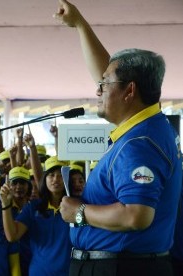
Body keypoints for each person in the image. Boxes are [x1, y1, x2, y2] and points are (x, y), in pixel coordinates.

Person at [54, 0, 182, 275]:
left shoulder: (140, 145)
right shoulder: (147, 126)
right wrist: (79, 25)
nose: (98, 91)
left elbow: (136, 215)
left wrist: (79, 213)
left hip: (122, 267)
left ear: (129, 91)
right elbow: (112, 76)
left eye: (104, 85)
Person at [0, 156, 72, 275]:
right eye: (51, 175)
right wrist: (5, 205)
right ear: (45, 178)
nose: (56, 179)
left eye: (60, 175)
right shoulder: (33, 208)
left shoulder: (75, 206)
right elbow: (12, 236)